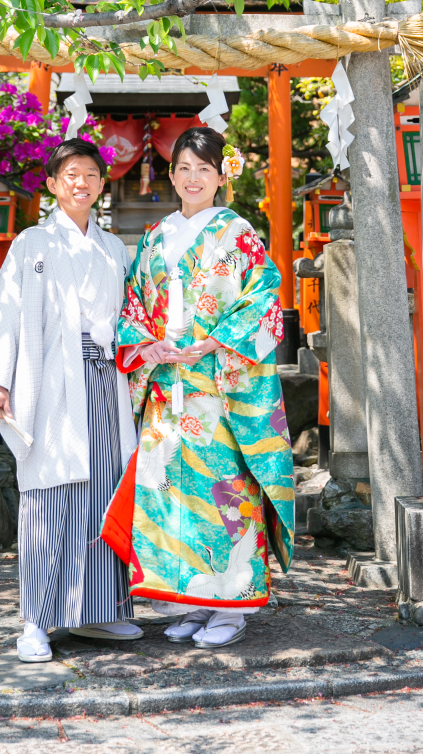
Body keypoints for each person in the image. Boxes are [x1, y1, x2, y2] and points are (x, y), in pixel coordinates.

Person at [110, 126, 294, 649]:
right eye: (184, 169)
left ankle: (232, 608)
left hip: (219, 386)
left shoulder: (238, 233)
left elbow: (264, 298)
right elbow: (133, 306)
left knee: (223, 494)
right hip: (167, 384)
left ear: (221, 177)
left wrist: (217, 342)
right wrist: (147, 346)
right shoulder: (153, 236)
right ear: (171, 174)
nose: (193, 179)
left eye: (204, 170)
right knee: (168, 495)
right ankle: (189, 602)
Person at [0, 137, 142, 663]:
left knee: (105, 494)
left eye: (90, 174)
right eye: (70, 175)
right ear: (51, 184)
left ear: (101, 184)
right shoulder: (32, 244)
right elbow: (5, 311)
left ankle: (100, 610)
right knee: (49, 499)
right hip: (52, 385)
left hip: (106, 383)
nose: (80, 183)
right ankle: (35, 622)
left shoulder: (114, 248)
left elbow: (131, 318)